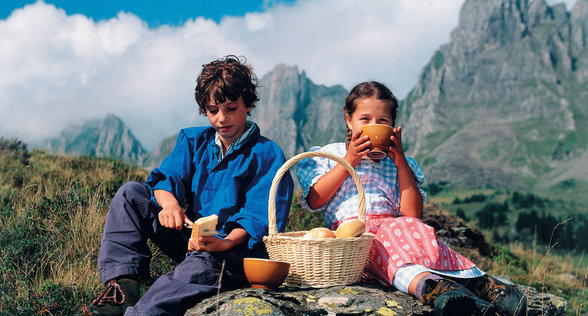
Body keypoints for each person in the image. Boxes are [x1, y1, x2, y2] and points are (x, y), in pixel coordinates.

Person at [85, 55, 294, 316]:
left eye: (231, 108)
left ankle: (143, 310)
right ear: (203, 109)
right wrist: (170, 204)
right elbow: (164, 179)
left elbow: (258, 216)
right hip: (195, 240)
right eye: (212, 110)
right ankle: (123, 288)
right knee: (131, 194)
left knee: (168, 291)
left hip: (234, 254)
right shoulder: (193, 141)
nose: (221, 119)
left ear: (248, 104)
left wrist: (224, 243)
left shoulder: (268, 154)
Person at [296, 81, 526, 316]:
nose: (373, 126)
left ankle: (481, 284)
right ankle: (435, 288)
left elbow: (412, 212)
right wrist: (350, 159)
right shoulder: (327, 155)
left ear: (393, 125)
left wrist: (401, 162)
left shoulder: (398, 163)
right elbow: (315, 200)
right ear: (349, 120)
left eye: (382, 121)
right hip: (352, 238)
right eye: (365, 119)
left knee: (421, 236)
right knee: (382, 250)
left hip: (396, 229)